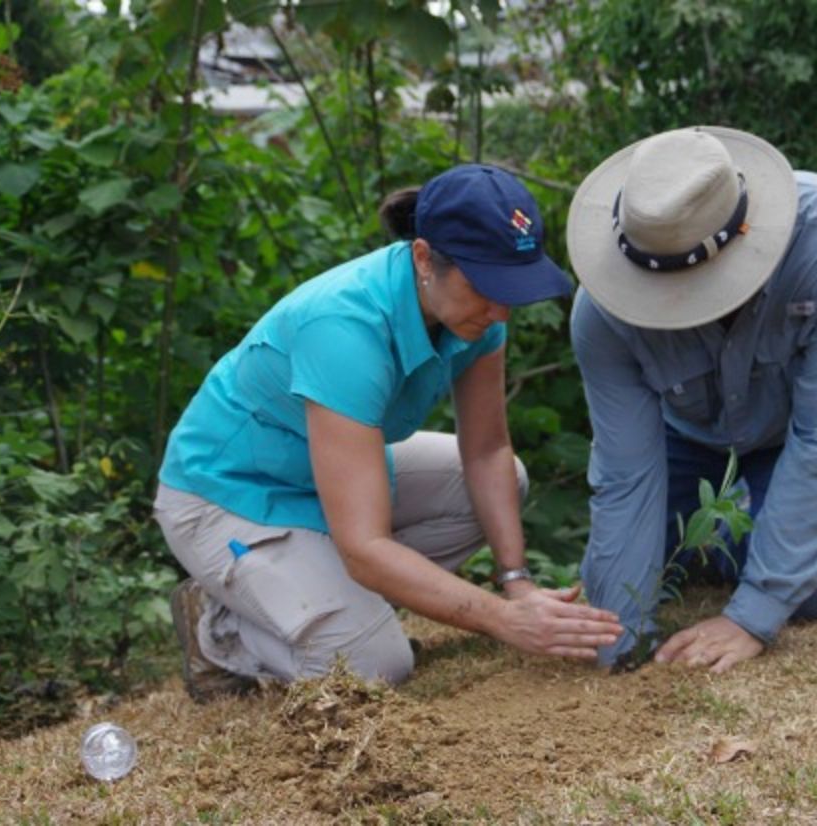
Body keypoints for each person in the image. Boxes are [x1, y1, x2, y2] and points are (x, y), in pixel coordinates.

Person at [155, 164, 622, 701]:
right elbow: (365, 546)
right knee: (375, 665)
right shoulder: (343, 328)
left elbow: (488, 450)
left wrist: (517, 583)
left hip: (319, 474)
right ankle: (220, 629)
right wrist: (502, 620)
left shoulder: (476, 317)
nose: (500, 311)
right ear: (424, 258)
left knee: (503, 482)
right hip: (227, 496)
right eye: (486, 286)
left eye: (511, 288)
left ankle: (322, 598)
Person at [566, 126, 817, 673]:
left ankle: (742, 531)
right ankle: (725, 531)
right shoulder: (601, 316)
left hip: (799, 430)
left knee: (814, 594)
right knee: (625, 580)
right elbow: (626, 475)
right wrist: (620, 637)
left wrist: (752, 616)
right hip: (684, 437)